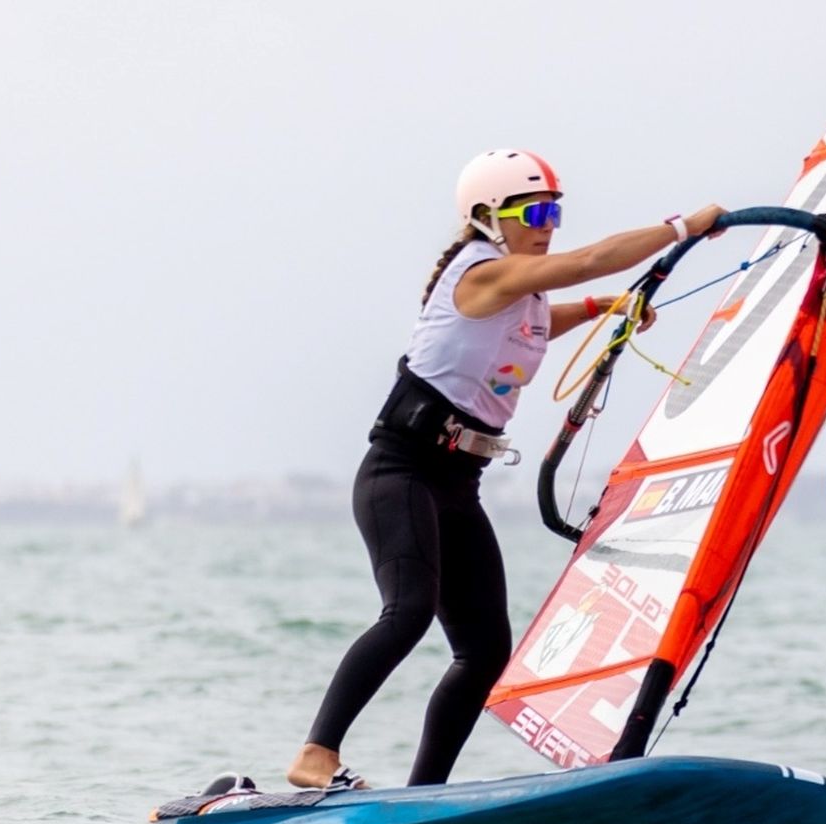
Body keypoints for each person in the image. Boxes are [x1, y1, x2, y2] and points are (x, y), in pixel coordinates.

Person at [287, 149, 726, 790]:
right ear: (490, 216)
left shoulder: (520, 294)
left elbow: (536, 326)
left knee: (487, 650)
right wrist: (683, 228)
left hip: (458, 485)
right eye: (535, 212)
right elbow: (585, 261)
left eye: (555, 211)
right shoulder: (482, 273)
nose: (548, 224)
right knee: (408, 611)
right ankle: (317, 753)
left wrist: (605, 309)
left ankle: (422, 796)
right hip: (401, 472)